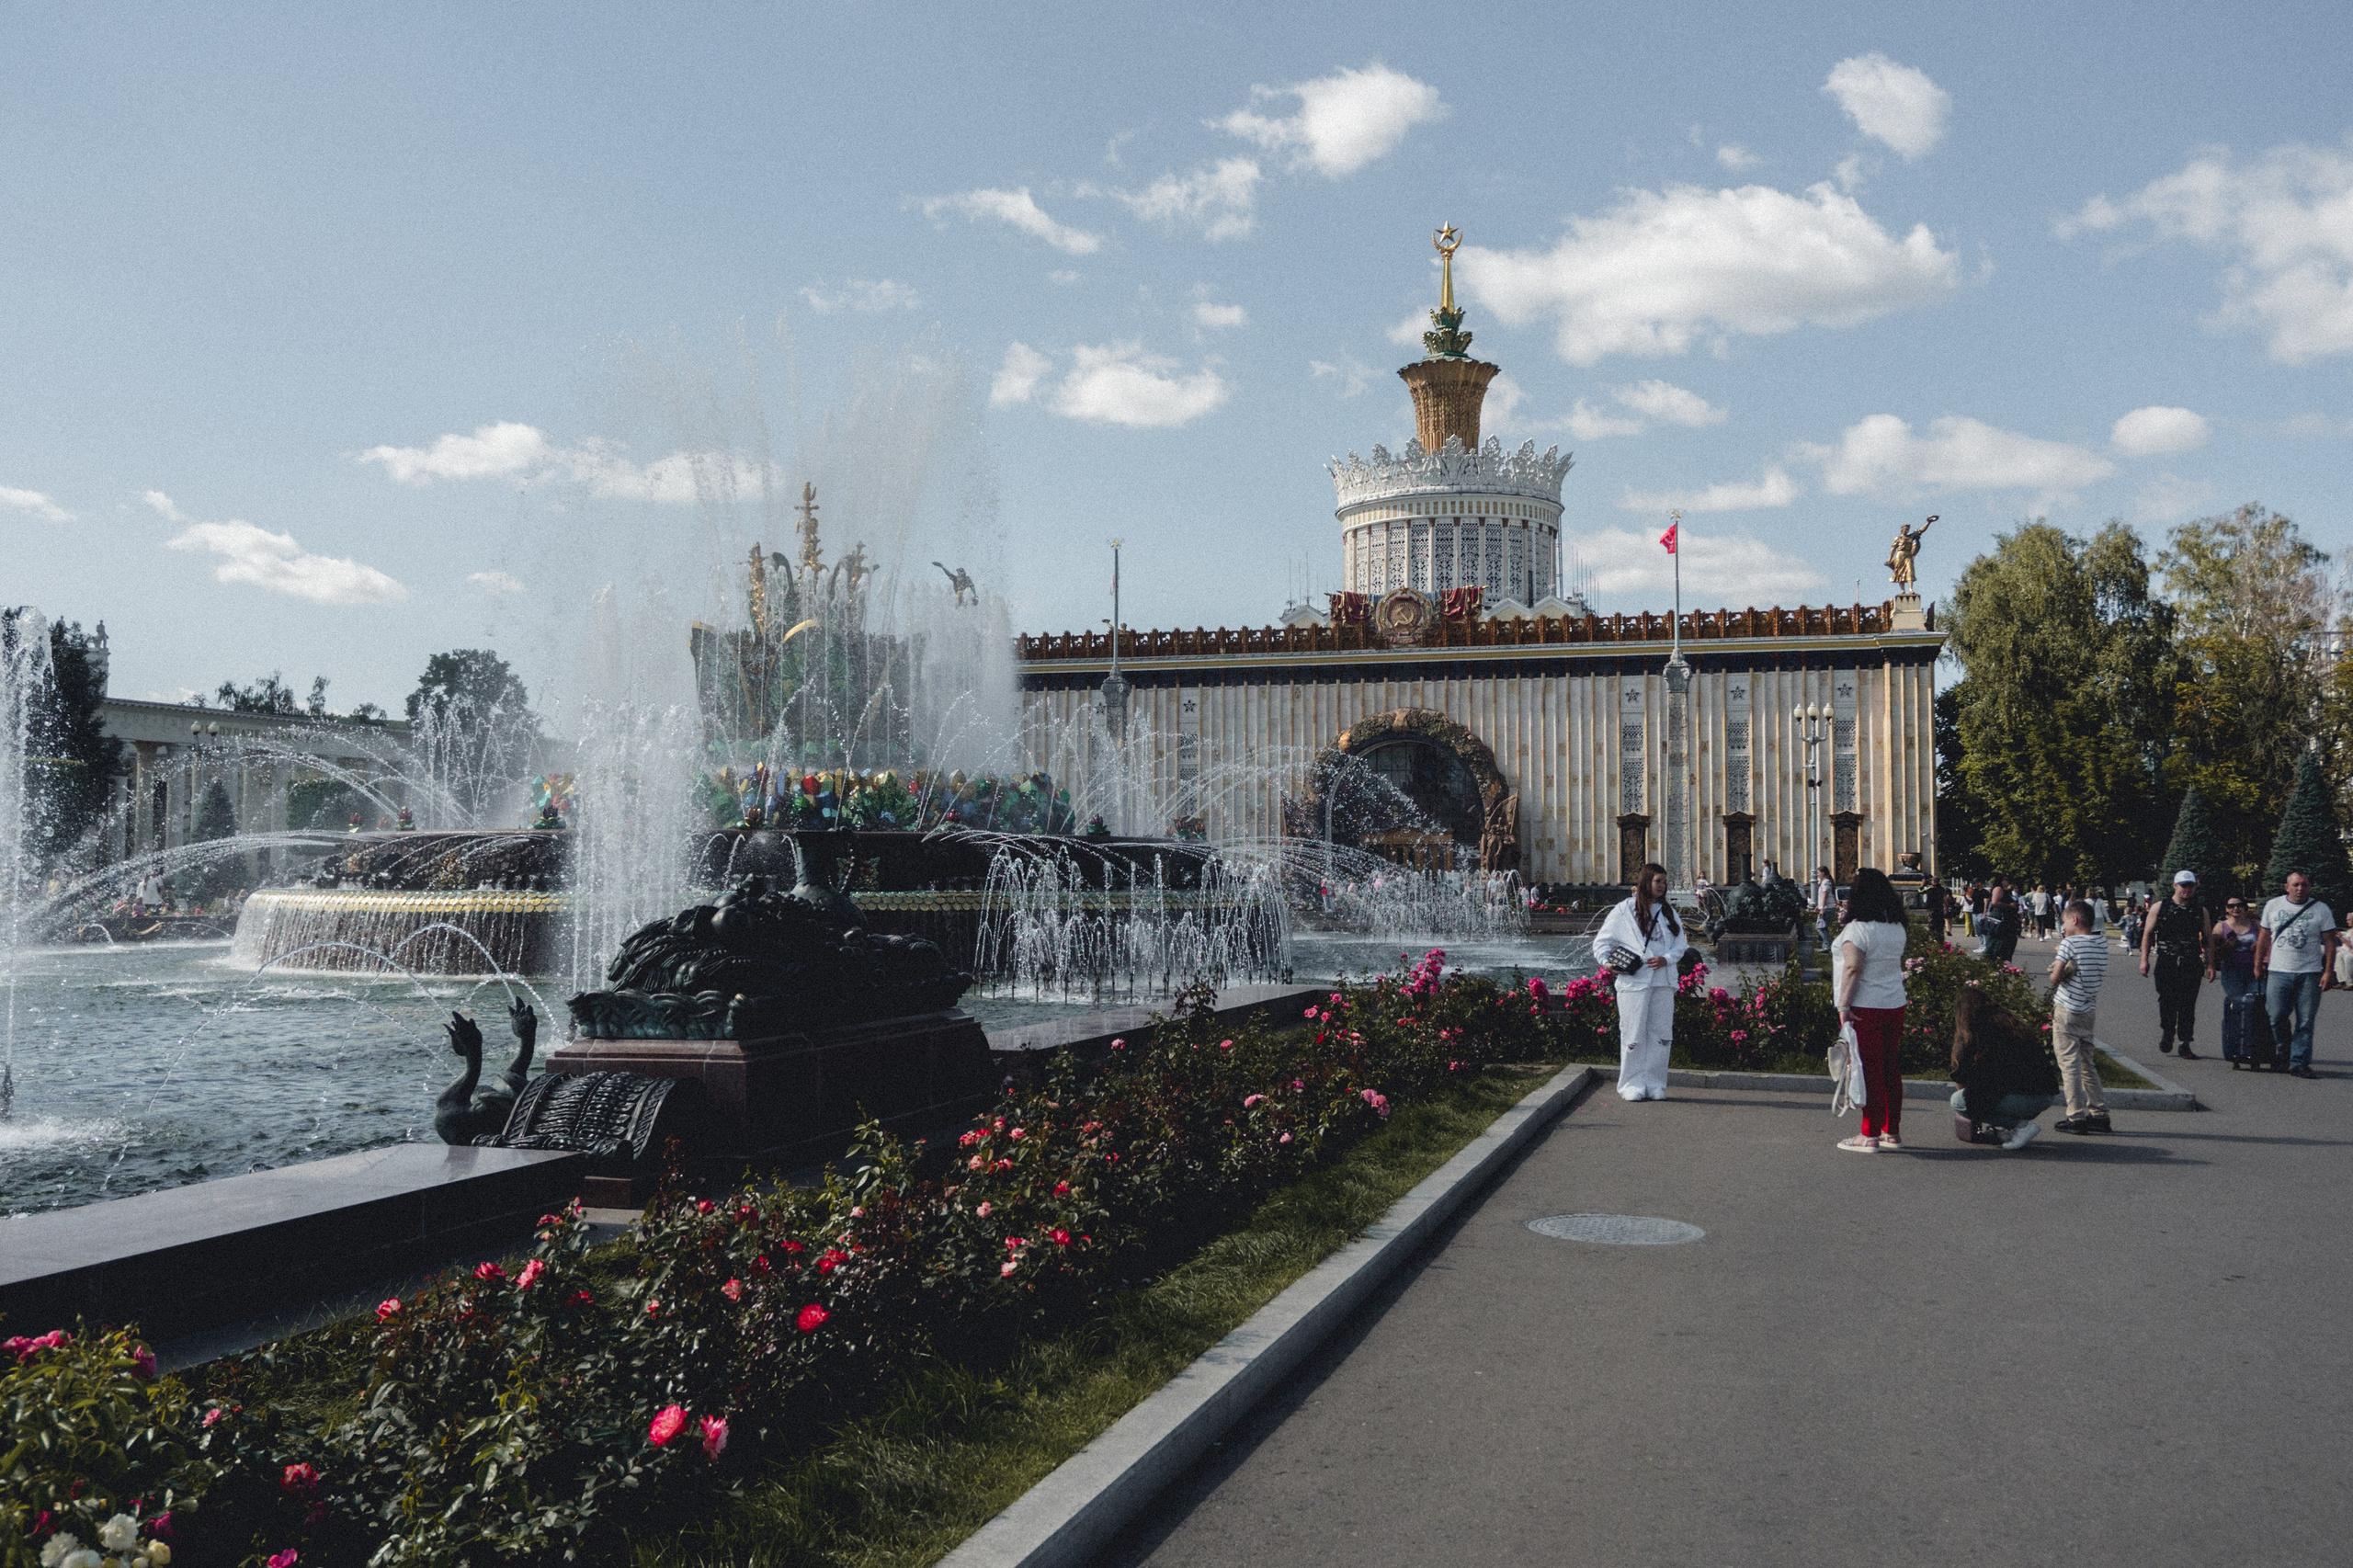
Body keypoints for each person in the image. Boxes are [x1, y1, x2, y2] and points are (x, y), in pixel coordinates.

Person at [1832, 867, 1913, 1152]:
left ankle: (1869, 1134)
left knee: (1869, 1070)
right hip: (1894, 1003)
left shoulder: (1858, 929)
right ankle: (1892, 1130)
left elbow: (1853, 968)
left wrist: (1843, 1005)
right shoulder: (1897, 927)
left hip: (1865, 1006)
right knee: (1891, 1068)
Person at [1596, 861, 1688, 1102]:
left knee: (1661, 1034)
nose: (1662, 886)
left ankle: (1655, 1083)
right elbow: (1602, 942)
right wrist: (1608, 964)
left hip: (1663, 981)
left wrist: (1666, 959)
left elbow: (1681, 945)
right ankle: (1631, 1084)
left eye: (1664, 882)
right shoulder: (1624, 910)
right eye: (1658, 881)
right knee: (1633, 1034)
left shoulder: (1668, 912)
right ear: (1646, 882)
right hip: (1634, 982)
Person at [1949, 987, 2063, 1150]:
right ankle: (2014, 1129)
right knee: (1987, 1096)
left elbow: (1961, 1079)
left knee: (1959, 1101)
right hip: (2045, 1095)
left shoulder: (1973, 1035)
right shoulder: (2012, 1025)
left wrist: (1972, 1111)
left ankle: (2021, 1127)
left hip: (2022, 1099)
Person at [2256, 870, 2339, 1079]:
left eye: (2304, 885)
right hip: (2279, 971)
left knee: (2305, 1021)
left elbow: (2330, 942)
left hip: (2309, 973)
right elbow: (2263, 937)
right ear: (2287, 887)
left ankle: (2299, 1062)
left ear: (2309, 887)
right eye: (2295, 885)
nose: (2300, 888)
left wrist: (2328, 971)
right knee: (2276, 1015)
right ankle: (2283, 1054)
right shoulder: (2273, 906)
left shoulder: (2321, 909)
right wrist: (2257, 964)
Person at [2050, 899, 2111, 1133]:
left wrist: (2062, 966)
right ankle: (2099, 1113)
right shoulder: (2102, 942)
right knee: (2087, 1063)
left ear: (2075, 920)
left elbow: (2055, 977)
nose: (2063, 927)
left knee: (2069, 1065)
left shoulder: (2070, 943)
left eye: (2064, 922)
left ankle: (2076, 1116)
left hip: (2067, 1010)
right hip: (2088, 1010)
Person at [2141, 869, 2210, 1059]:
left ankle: (2185, 1042)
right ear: (2175, 885)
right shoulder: (2160, 907)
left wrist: (2210, 964)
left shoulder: (2200, 910)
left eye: (2190, 886)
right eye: (2183, 885)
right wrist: (2144, 960)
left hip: (2191, 961)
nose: (2187, 889)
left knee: (2188, 1003)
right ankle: (2168, 1032)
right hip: (2167, 960)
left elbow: (2207, 938)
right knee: (2167, 1000)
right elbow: (2148, 934)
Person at [2209, 895, 2261, 1060]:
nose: (2236, 909)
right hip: (2232, 972)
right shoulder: (2221, 927)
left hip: (2254, 973)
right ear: (2227, 909)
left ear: (2245, 907)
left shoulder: (2255, 924)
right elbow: (2213, 950)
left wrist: (2259, 947)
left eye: (2239, 905)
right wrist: (2226, 947)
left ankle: (2251, 1047)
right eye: (2231, 906)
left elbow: (2267, 944)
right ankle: (2232, 1047)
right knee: (2235, 1007)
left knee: (2256, 1008)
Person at [1813, 866, 1835, 945]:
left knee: (1820, 927)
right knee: (1823, 927)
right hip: (1827, 907)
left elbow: (1825, 895)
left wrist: (1822, 908)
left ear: (1823, 873)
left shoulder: (1826, 882)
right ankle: (1826, 944)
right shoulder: (1825, 882)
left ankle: (1827, 944)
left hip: (1827, 908)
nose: (1817, 874)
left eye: (1818, 872)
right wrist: (1819, 906)